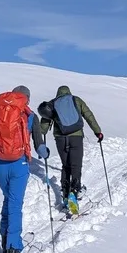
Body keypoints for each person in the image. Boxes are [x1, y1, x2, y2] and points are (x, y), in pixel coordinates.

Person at [0, 85, 46, 253]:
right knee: (15, 204)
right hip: (19, 164)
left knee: (8, 200)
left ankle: (4, 240)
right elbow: (39, 145)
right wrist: (44, 152)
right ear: (26, 98)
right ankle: (13, 249)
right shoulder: (29, 115)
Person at [37, 85, 102, 214]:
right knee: (76, 166)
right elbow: (89, 115)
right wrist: (98, 132)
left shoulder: (52, 104)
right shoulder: (76, 100)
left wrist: (41, 135)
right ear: (69, 92)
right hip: (76, 137)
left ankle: (66, 195)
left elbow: (43, 126)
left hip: (61, 138)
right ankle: (74, 192)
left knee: (65, 165)